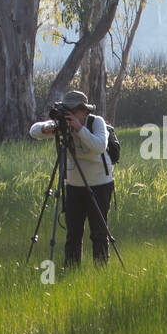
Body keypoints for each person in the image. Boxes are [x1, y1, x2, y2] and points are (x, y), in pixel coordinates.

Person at [29, 89, 114, 267]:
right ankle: (71, 269)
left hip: (99, 183)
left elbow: (99, 146)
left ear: (84, 111)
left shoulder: (96, 122)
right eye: (68, 111)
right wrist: (47, 128)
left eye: (75, 111)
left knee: (99, 231)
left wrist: (80, 128)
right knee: (73, 232)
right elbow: (33, 131)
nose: (71, 115)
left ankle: (101, 269)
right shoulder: (63, 124)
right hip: (74, 185)